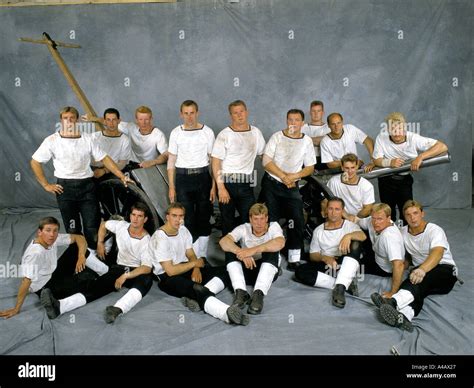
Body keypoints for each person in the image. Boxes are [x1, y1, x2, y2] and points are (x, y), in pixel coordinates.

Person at [31, 106, 134, 249]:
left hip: (87, 187)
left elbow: (105, 159)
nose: (69, 121)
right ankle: (78, 258)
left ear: (77, 120)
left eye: (72, 118)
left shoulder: (87, 139)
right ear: (61, 121)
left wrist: (122, 176)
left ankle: (93, 258)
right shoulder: (52, 140)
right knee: (73, 229)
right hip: (64, 189)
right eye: (65, 118)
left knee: (92, 227)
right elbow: (35, 161)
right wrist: (45, 185)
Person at [39, 202, 153, 324]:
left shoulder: (146, 240)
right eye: (133, 215)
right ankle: (60, 307)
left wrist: (126, 275)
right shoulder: (121, 226)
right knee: (97, 287)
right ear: (130, 215)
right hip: (118, 268)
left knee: (147, 280)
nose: (135, 219)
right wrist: (100, 243)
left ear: (145, 219)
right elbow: (104, 225)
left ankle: (118, 309)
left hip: (136, 271)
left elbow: (146, 267)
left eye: (139, 216)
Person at [147, 202, 249, 326]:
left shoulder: (182, 229)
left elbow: (190, 253)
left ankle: (196, 299)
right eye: (174, 216)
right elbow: (170, 271)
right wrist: (195, 264)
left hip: (186, 267)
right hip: (167, 278)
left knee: (226, 270)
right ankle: (226, 313)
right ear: (167, 217)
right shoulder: (160, 238)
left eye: (181, 216)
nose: (178, 220)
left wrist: (196, 268)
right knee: (196, 288)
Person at [371, 200, 459, 332]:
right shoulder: (402, 232)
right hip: (422, 273)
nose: (412, 217)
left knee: (418, 279)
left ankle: (392, 302)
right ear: (404, 217)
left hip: (445, 271)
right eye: (408, 215)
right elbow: (396, 242)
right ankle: (405, 316)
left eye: (416, 213)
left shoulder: (434, 230)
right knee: (417, 288)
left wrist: (422, 269)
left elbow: (438, 253)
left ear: (422, 213)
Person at [0, 216, 108, 319]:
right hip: (45, 287)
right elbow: (26, 281)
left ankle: (104, 270)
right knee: (88, 284)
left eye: (55, 230)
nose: (52, 234)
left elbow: (79, 238)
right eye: (48, 230)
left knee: (76, 248)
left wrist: (81, 256)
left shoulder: (52, 238)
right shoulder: (35, 253)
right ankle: (105, 276)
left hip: (51, 273)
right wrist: (16, 309)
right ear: (39, 232)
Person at [260, 108, 316, 270]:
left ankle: (294, 257)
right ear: (286, 121)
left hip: (292, 186)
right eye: (290, 120)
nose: (293, 123)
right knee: (272, 221)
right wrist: (284, 177)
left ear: (302, 123)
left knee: (297, 220)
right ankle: (273, 257)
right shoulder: (277, 137)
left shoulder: (306, 141)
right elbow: (266, 161)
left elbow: (310, 167)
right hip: (273, 183)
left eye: (297, 120)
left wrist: (294, 176)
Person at [373, 112, 448, 224]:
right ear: (388, 130)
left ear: (404, 128)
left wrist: (420, 157)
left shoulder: (413, 138)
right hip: (385, 179)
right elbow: (376, 160)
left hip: (404, 180)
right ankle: (389, 237)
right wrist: (390, 162)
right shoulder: (381, 137)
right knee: (388, 213)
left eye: (399, 129)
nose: (397, 133)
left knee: (407, 212)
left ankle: (406, 237)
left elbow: (442, 147)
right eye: (393, 129)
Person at [294, 197, 367, 308]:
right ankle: (344, 283)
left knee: (356, 244)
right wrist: (325, 258)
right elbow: (313, 255)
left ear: (342, 211)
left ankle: (341, 287)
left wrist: (348, 236)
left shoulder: (349, 225)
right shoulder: (319, 230)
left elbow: (363, 236)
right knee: (300, 271)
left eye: (337, 209)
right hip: (329, 266)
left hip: (345, 263)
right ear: (326, 211)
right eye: (331, 209)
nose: (333, 213)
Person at [167, 100, 216, 260]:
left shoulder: (207, 132)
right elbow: (171, 162)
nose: (189, 117)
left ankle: (202, 256)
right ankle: (190, 256)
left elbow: (214, 162)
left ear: (197, 113)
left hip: (203, 178)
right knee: (186, 218)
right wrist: (172, 187)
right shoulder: (176, 132)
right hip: (183, 178)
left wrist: (214, 186)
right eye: (186, 113)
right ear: (181, 114)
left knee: (204, 216)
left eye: (192, 113)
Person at [211, 100, 266, 236]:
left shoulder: (255, 132)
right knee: (227, 220)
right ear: (231, 116)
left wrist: (279, 171)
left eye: (241, 111)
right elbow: (216, 162)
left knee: (247, 220)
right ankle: (230, 257)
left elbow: (264, 156)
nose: (239, 115)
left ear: (246, 112)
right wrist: (221, 188)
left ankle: (245, 253)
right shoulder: (225, 134)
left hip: (246, 183)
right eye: (235, 113)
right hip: (227, 183)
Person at [219, 203, 285, 315]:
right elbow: (223, 242)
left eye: (262, 219)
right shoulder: (243, 228)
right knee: (230, 251)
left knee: (271, 251)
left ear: (267, 218)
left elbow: (280, 243)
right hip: (247, 270)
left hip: (266, 272)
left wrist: (252, 250)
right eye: (255, 219)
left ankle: (258, 295)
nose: (259, 223)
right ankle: (241, 293)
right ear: (250, 219)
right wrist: (241, 253)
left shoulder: (274, 227)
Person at [357, 203, 406, 297]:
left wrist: (393, 292)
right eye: (373, 218)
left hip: (383, 268)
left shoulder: (390, 237)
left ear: (388, 218)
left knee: (354, 266)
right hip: (376, 251)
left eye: (380, 219)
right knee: (357, 230)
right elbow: (357, 221)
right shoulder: (372, 221)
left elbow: (399, 265)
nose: (376, 222)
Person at [324, 153, 375, 222]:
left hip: (359, 219)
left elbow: (368, 208)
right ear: (342, 167)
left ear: (357, 167)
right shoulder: (333, 182)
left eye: (353, 167)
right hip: (338, 218)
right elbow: (326, 201)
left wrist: (355, 218)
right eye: (347, 168)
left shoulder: (366, 185)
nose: (350, 171)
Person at [90, 108, 132, 179]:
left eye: (114, 120)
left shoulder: (125, 140)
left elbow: (122, 164)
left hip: (113, 171)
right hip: (93, 170)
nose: (111, 123)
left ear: (119, 121)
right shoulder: (94, 136)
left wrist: (104, 170)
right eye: (108, 120)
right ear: (104, 121)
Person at [301, 100, 331, 170]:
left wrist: (305, 139)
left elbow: (328, 142)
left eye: (318, 111)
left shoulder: (329, 127)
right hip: (305, 160)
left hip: (324, 160)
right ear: (310, 113)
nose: (316, 113)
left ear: (322, 112)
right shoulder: (302, 128)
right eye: (313, 111)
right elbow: (296, 143)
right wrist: (320, 139)